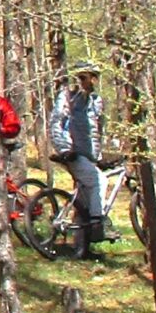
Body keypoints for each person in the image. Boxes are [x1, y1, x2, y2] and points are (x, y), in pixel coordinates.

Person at [48, 59, 110, 256]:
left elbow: (97, 131)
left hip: (89, 155)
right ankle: (98, 223)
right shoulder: (67, 98)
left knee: (83, 200)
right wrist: (65, 149)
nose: (87, 82)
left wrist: (99, 156)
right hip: (73, 153)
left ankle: (81, 248)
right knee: (99, 181)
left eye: (91, 78)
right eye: (83, 77)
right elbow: (56, 123)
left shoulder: (96, 100)